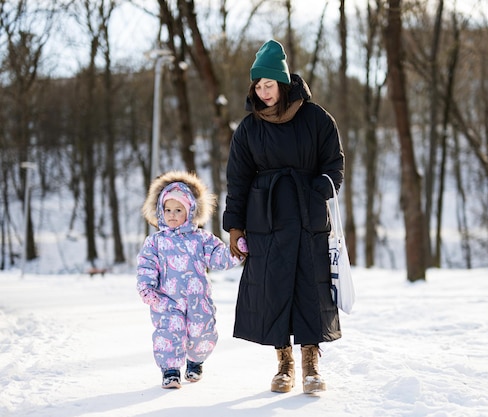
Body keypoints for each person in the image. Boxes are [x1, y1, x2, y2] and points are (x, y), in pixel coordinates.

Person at [223, 39, 344, 394]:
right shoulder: (248, 128)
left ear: (283, 82)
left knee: (310, 287)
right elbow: (238, 179)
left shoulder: (316, 118)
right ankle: (284, 365)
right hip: (267, 219)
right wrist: (234, 225)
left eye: (269, 85)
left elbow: (334, 162)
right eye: (258, 86)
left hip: (308, 216)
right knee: (274, 290)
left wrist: (320, 188)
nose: (263, 93)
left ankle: (311, 362)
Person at [136, 170, 244, 389]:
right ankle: (171, 371)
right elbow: (146, 265)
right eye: (167, 210)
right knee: (169, 333)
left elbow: (218, 257)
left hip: (198, 300)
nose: (172, 215)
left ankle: (195, 362)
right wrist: (147, 288)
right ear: (160, 211)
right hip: (167, 301)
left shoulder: (201, 239)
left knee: (202, 331)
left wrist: (235, 252)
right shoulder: (155, 242)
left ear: (190, 211)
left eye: (178, 210)